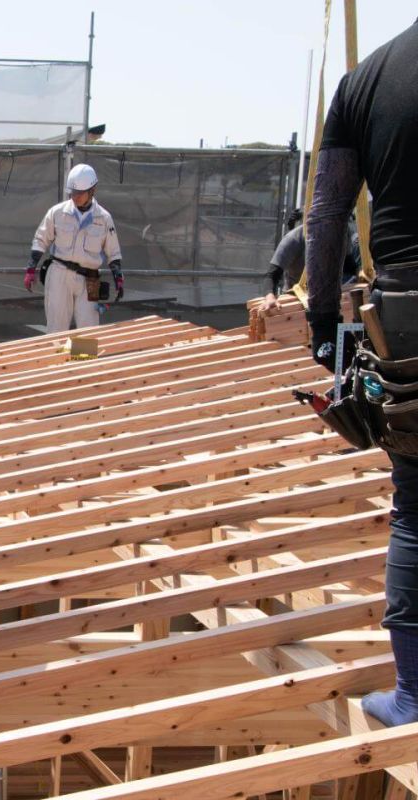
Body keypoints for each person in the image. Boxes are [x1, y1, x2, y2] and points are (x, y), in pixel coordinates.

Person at [305, 19, 418, 727]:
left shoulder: (367, 78)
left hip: (408, 312)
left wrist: (323, 327)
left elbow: (326, 215)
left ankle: (414, 694)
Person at [25, 164, 124, 333]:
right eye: (73, 192)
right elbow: (40, 240)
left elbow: (113, 252)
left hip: (91, 279)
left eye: (80, 193)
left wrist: (118, 279)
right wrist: (31, 268)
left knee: (89, 330)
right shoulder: (57, 213)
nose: (75, 196)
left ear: (92, 190)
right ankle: (56, 359)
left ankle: (85, 360)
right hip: (59, 273)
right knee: (56, 327)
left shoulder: (104, 218)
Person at [261, 209, 359, 311]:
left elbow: (349, 264)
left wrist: (360, 272)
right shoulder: (294, 240)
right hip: (297, 301)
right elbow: (272, 275)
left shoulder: (342, 235)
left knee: (354, 326)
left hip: (330, 297)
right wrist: (269, 297)